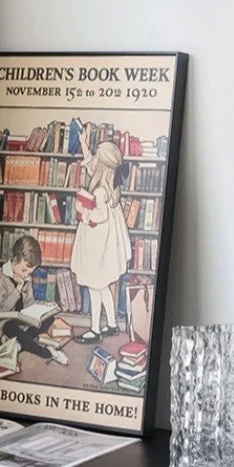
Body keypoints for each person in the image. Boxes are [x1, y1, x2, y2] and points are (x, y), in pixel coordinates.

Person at [70, 130, 132, 343]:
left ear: (103, 164)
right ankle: (112, 324)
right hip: (105, 242)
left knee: (95, 287)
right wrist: (84, 144)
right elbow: (90, 165)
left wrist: (82, 211)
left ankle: (95, 330)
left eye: (96, 156)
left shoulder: (99, 191)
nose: (93, 160)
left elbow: (100, 216)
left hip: (97, 243)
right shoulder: (109, 184)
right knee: (103, 285)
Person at [0, 234, 68, 365]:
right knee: (11, 327)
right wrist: (18, 288)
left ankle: (19, 342)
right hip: (1, 322)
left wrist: (44, 308)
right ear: (16, 259)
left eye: (29, 273)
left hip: (20, 321)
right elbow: (3, 309)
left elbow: (29, 303)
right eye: (24, 270)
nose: (26, 275)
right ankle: (47, 352)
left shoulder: (25, 278)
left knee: (48, 319)